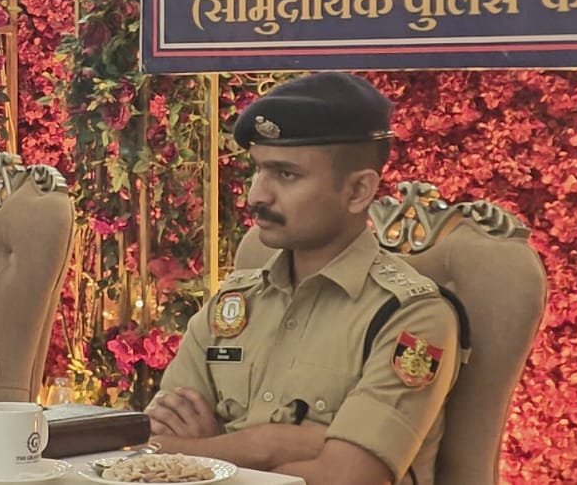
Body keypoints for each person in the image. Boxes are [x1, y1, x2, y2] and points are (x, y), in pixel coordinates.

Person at [147, 72, 461, 485]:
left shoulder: (410, 316)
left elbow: (349, 478)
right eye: (258, 171)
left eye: (286, 174)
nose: (256, 195)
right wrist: (271, 444)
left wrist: (207, 453)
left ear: (358, 192)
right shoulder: (235, 302)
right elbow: (156, 446)